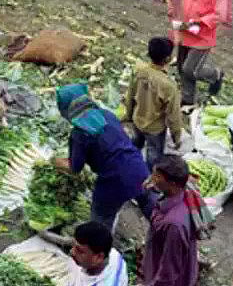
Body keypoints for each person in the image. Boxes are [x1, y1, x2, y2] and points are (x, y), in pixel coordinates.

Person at [53, 82, 153, 228]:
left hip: (114, 181)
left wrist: (55, 162)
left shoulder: (79, 134)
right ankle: (165, 235)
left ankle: (99, 248)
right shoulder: (107, 115)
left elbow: (75, 168)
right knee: (150, 206)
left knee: (100, 220)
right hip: (138, 167)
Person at [163, 0, 228, 105]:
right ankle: (188, 98)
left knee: (190, 69)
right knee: (181, 68)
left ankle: (215, 75)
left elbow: (220, 15)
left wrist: (197, 22)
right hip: (184, 31)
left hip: (203, 36)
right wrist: (169, 2)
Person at [124, 37, 183, 166]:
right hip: (155, 130)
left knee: (134, 148)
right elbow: (173, 115)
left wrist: (128, 116)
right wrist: (176, 137)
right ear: (167, 59)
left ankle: (131, 166)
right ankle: (148, 179)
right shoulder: (169, 86)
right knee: (153, 158)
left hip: (137, 121)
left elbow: (130, 96)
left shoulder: (139, 72)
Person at [143, 156, 200, 286]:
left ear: (173, 183)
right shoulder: (182, 192)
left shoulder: (173, 225)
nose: (153, 179)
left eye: (157, 176)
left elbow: (168, 272)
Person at [68, 221, 127, 286]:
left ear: (99, 257)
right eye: (72, 245)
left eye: (79, 250)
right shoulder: (114, 255)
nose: (72, 252)